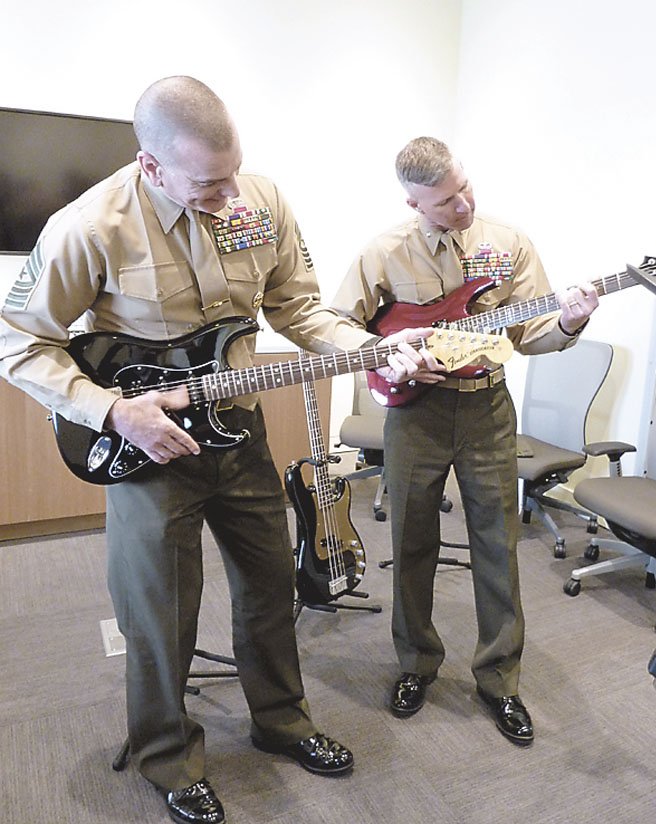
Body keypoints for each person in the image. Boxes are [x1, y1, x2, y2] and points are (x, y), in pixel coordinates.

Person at [0, 79, 442, 824]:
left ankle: (282, 721)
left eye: (233, 171)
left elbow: (297, 307)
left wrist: (372, 349)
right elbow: (20, 342)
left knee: (272, 585)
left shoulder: (258, 201)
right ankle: (168, 756)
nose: (229, 191)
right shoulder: (89, 226)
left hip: (238, 430)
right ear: (151, 165)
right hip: (150, 447)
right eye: (208, 182)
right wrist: (112, 412)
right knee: (160, 610)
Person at [331, 136, 599, 746]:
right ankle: (415, 663)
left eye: (465, 188)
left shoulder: (508, 244)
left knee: (499, 543)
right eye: (446, 201)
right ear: (414, 202)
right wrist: (385, 357)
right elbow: (340, 324)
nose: (463, 205)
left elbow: (531, 331)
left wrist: (571, 318)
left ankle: (500, 680)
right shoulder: (383, 253)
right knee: (411, 537)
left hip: (487, 409)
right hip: (416, 412)